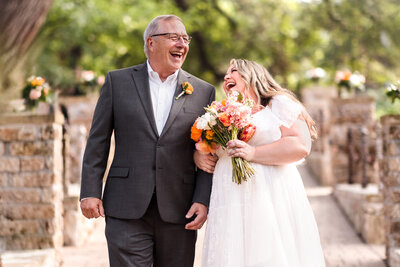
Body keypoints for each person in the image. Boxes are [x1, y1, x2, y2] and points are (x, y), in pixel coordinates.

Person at [79, 15, 215, 267]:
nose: (182, 44)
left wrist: (202, 198)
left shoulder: (203, 91)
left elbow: (208, 148)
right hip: (125, 205)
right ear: (151, 43)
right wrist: (89, 191)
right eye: (174, 37)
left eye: (186, 39)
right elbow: (98, 140)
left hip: (180, 207)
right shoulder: (117, 82)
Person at [198, 59, 325, 266]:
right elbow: (211, 151)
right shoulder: (221, 114)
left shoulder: (278, 104)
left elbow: (300, 145)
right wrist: (200, 154)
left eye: (234, 71)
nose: (227, 77)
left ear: (252, 75)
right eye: (225, 74)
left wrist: (253, 152)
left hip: (268, 196)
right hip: (229, 199)